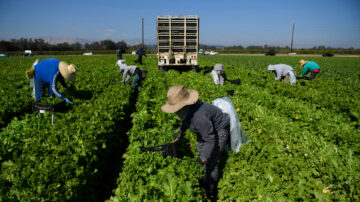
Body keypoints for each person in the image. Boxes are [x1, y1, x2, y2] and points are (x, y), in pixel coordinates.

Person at [161, 85, 230, 200]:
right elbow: (186, 120)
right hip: (207, 130)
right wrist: (181, 131)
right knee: (201, 151)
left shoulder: (199, 117)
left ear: (183, 107)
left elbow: (211, 139)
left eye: (176, 110)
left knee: (210, 160)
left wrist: (204, 157)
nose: (175, 113)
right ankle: (204, 175)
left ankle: (211, 190)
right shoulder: (188, 111)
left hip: (219, 129)